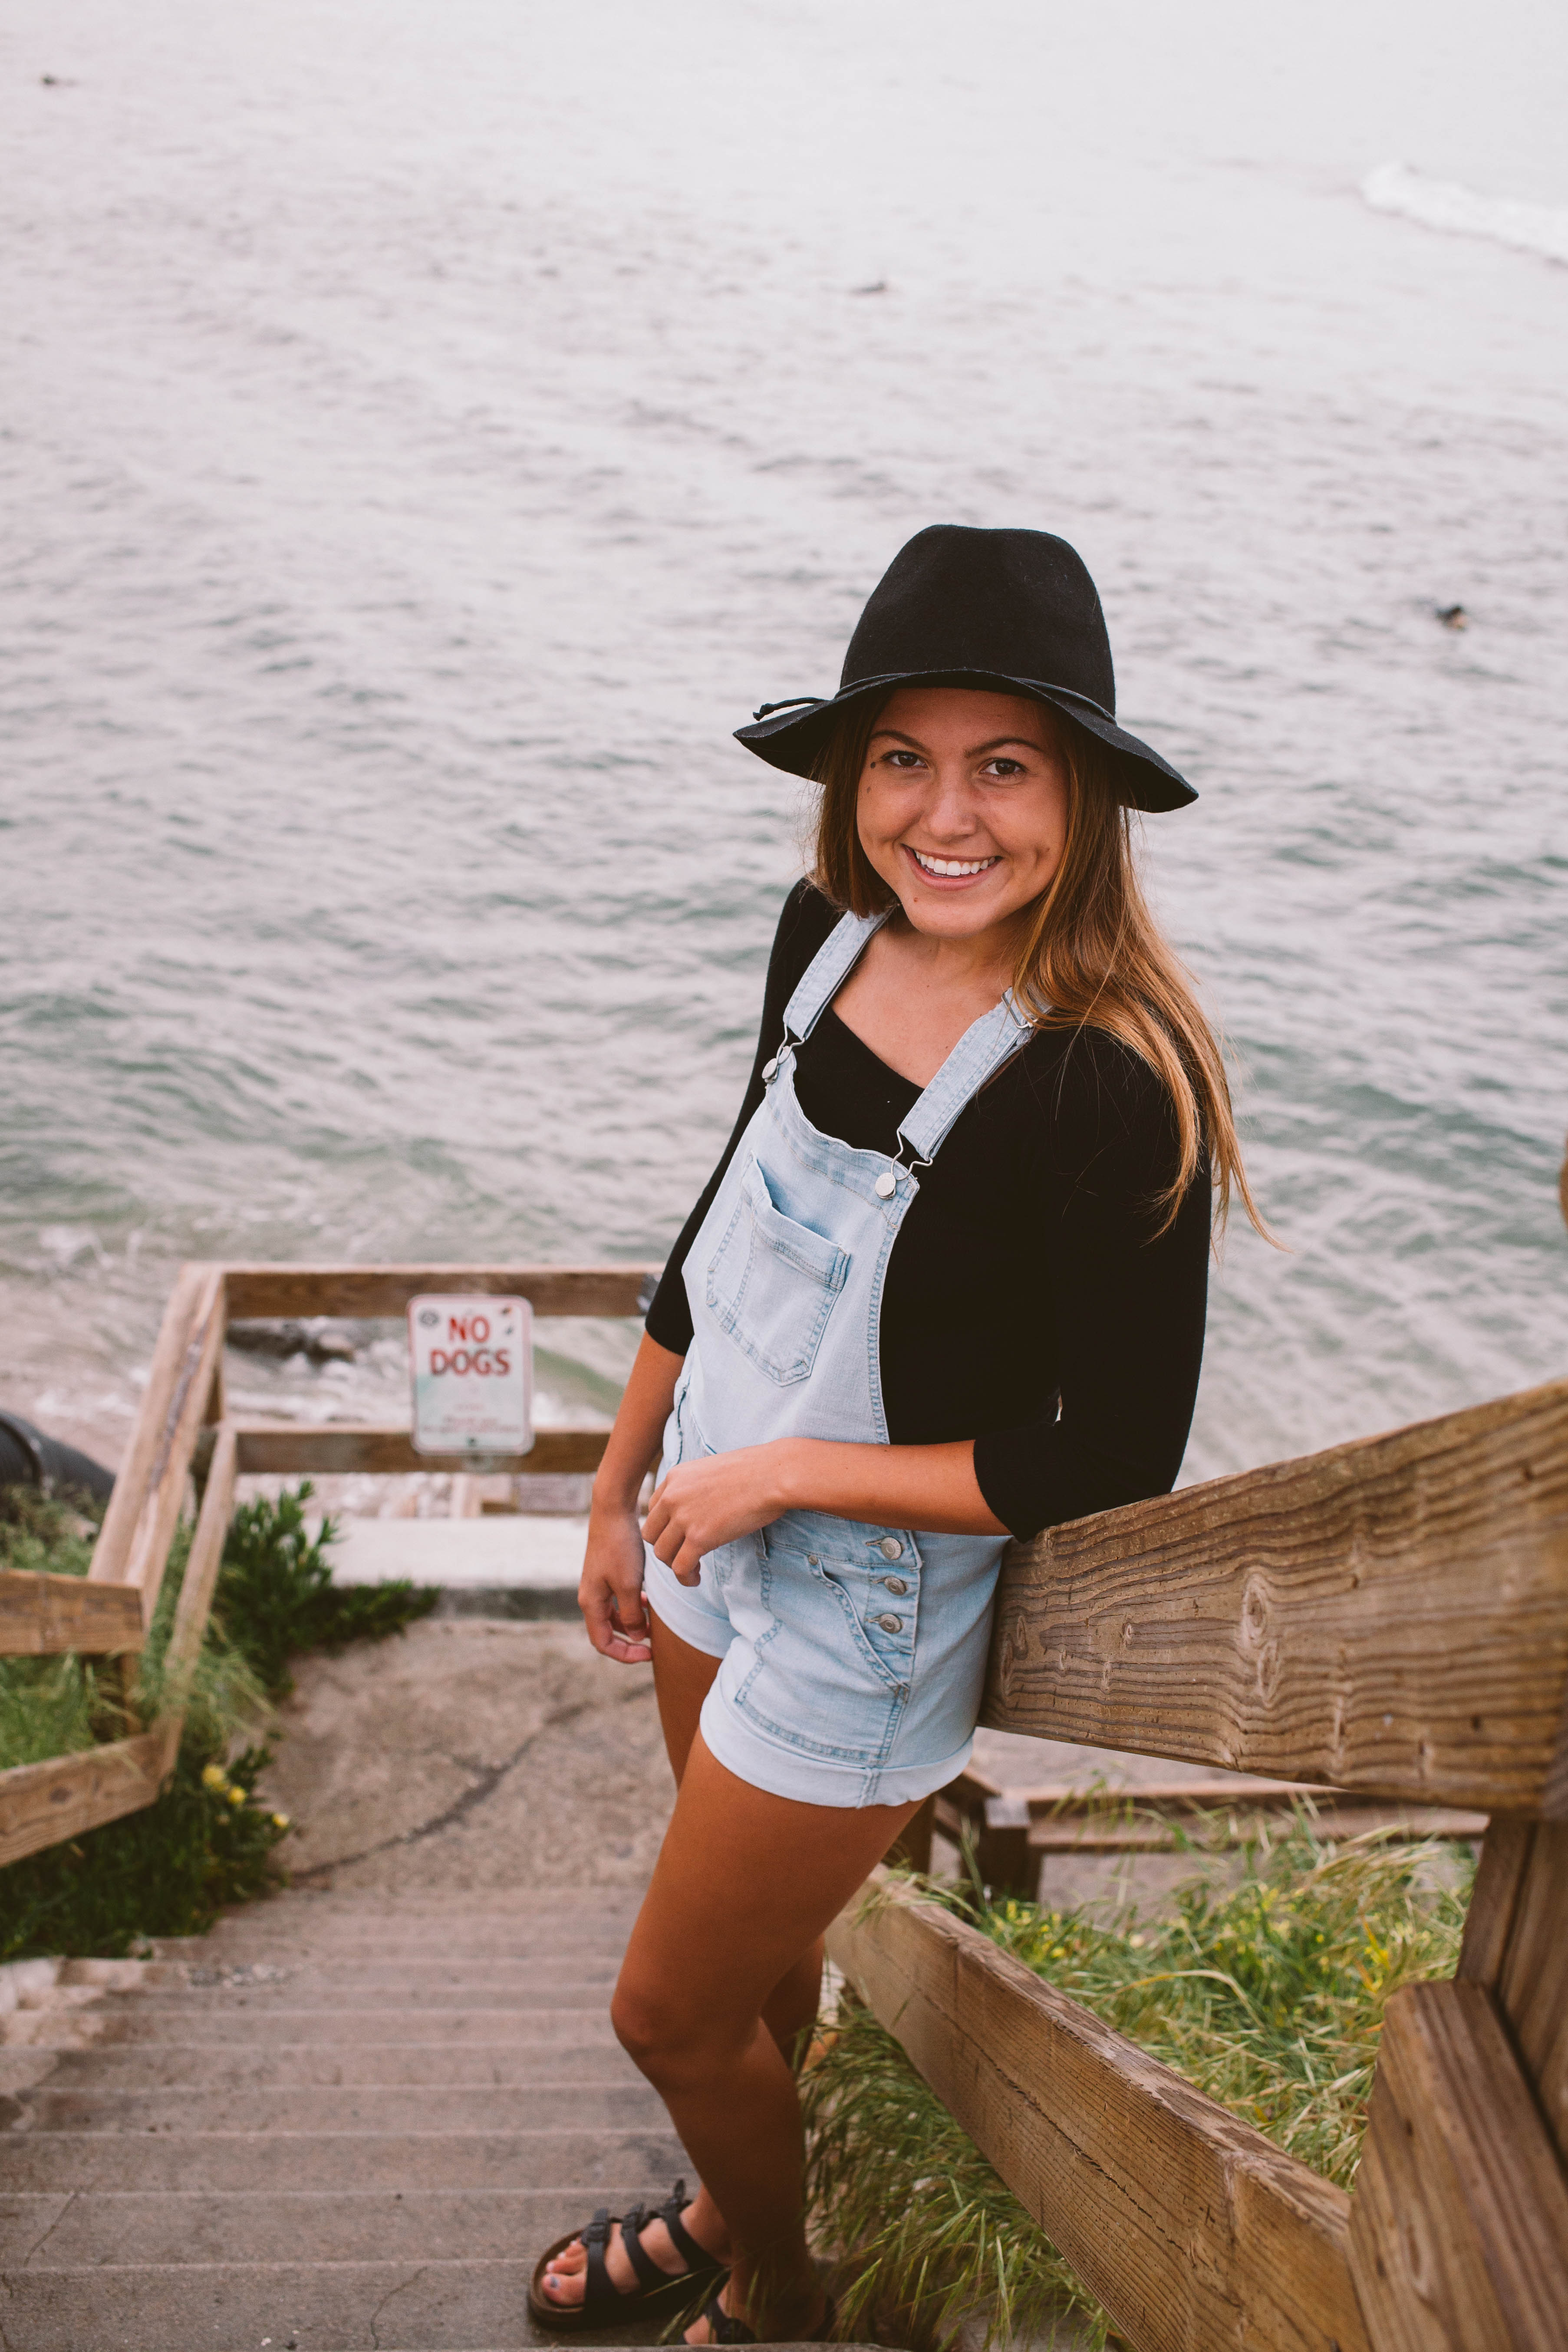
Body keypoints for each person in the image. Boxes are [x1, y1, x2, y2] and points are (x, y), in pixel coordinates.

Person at [527, 525, 1267, 2344]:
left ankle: (779, 2286)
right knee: (755, 1967)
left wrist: (785, 1473)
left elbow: (1112, 1453)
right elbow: (721, 1224)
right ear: (849, 778)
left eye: (1003, 765)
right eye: (901, 759)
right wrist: (621, 1483)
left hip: (857, 1605)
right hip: (703, 1512)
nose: (945, 815)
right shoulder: (825, 934)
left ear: (1081, 795)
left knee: (663, 2011)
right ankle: (737, 2200)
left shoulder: (1107, 1078)